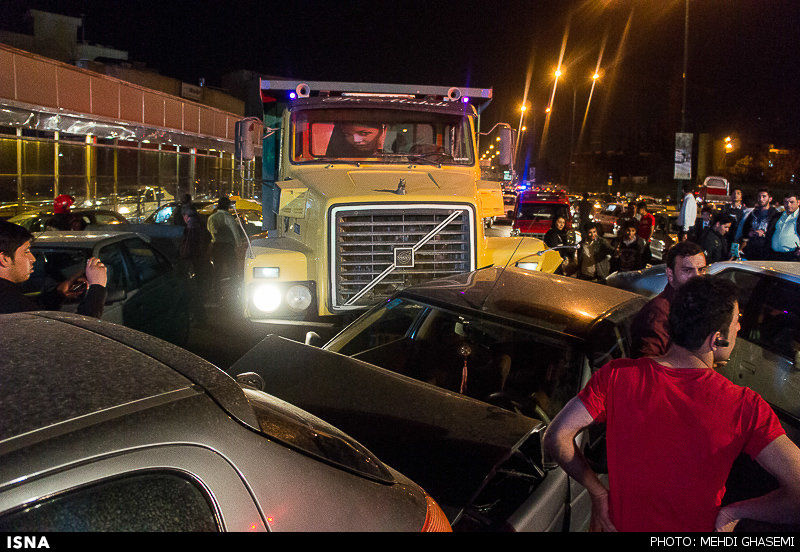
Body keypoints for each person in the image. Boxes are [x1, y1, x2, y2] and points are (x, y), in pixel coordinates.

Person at [543, 276, 800, 532]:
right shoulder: (745, 406)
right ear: (716, 339)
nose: (739, 328)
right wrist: (733, 513)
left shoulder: (617, 375)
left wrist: (597, 493)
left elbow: (556, 436)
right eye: (736, 322)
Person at [0, 220, 107, 316]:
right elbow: (76, 334)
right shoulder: (11, 303)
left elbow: (35, 309)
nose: (33, 258)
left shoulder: (10, 298)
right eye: (26, 251)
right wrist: (97, 286)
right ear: (5, 259)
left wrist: (58, 294)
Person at [629, 240, 706, 358]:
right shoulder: (658, 313)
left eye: (701, 270)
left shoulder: (694, 304)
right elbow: (650, 365)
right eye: (687, 270)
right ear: (670, 274)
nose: (697, 277)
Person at [206, 195, 244, 288]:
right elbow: (235, 232)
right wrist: (239, 245)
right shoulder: (228, 217)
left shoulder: (212, 217)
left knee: (217, 270)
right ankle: (233, 289)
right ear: (227, 206)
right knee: (232, 269)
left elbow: (210, 231)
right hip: (227, 246)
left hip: (216, 246)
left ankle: (216, 290)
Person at [739, 187, 779, 260]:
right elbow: (745, 229)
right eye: (759, 197)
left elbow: (777, 233)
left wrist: (764, 234)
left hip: (766, 252)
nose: (761, 199)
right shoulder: (753, 213)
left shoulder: (775, 215)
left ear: (770, 199)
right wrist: (749, 233)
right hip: (751, 249)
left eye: (764, 196)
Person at [768, 191, 800, 261]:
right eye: (786, 202)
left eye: (792, 202)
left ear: (798, 202)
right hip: (773, 256)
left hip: (792, 257)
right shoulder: (777, 216)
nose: (788, 205)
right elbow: (770, 232)